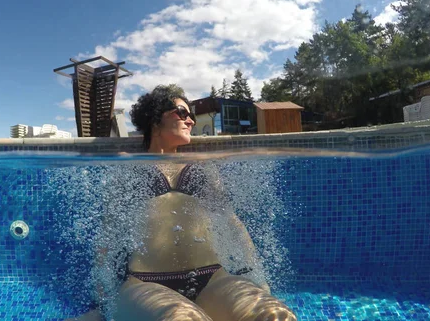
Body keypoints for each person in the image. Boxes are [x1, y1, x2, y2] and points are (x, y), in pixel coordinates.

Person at [67, 84, 297, 321]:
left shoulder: (203, 168)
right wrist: (104, 302)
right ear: (156, 118)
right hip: (146, 283)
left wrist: (260, 283)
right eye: (183, 113)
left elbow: (232, 225)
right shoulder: (130, 167)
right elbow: (109, 235)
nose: (191, 122)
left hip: (212, 279)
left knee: (274, 316)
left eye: (192, 116)